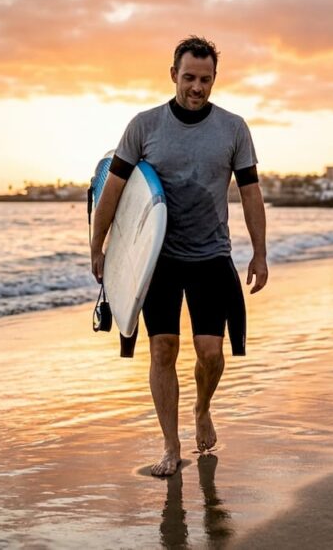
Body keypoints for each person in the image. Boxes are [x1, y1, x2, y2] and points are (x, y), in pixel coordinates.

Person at [89, 36, 268, 477]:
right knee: (163, 349)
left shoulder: (233, 128)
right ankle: (171, 447)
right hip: (159, 259)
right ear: (173, 75)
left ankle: (202, 407)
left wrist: (260, 253)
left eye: (205, 79)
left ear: (214, 79)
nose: (197, 87)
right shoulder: (144, 126)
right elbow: (112, 191)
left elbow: (250, 193)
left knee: (210, 353)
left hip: (210, 254)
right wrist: (99, 247)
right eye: (189, 77)